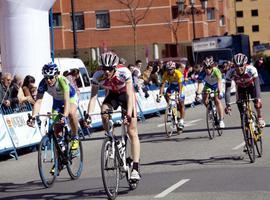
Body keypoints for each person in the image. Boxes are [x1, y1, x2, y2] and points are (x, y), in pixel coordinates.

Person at [86, 52, 141, 181]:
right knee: (104, 111)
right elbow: (93, 97)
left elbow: (129, 94)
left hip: (126, 96)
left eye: (109, 69)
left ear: (115, 68)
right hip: (113, 95)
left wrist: (128, 114)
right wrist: (88, 115)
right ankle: (110, 138)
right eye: (104, 69)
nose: (106, 72)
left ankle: (136, 168)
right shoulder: (97, 76)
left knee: (132, 131)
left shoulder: (124, 72)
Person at [28, 62, 80, 151]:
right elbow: (38, 102)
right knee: (56, 126)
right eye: (46, 78)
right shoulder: (43, 84)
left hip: (70, 98)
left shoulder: (62, 80)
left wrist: (65, 115)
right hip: (57, 101)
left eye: (51, 77)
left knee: (71, 113)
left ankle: (75, 137)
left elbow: (67, 99)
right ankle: (61, 154)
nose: (48, 80)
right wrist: (33, 116)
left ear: (56, 75)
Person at [225, 53, 265, 128]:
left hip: (251, 86)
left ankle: (259, 117)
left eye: (241, 66)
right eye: (236, 66)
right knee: (240, 106)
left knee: (256, 102)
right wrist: (228, 104)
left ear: (245, 64)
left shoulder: (251, 69)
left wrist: (258, 99)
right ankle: (244, 124)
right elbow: (227, 90)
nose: (239, 68)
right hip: (240, 88)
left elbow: (257, 85)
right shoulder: (230, 73)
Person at [195, 57, 225, 129]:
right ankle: (210, 109)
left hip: (217, 85)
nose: (208, 69)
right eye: (206, 68)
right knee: (204, 99)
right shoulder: (202, 72)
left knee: (217, 100)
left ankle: (221, 120)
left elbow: (220, 81)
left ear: (212, 67)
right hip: (208, 85)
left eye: (209, 67)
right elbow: (200, 84)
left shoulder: (216, 71)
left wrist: (220, 91)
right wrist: (198, 94)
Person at [157, 61, 185, 130]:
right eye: (168, 69)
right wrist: (160, 95)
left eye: (171, 69)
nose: (169, 71)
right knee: (166, 94)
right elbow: (162, 85)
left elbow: (180, 85)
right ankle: (170, 106)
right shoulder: (165, 74)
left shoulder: (178, 73)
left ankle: (181, 120)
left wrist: (180, 94)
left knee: (181, 103)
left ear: (174, 68)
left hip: (179, 86)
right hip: (172, 86)